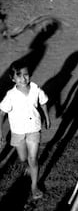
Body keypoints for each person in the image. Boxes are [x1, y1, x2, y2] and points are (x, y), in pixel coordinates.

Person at [0, 63, 50, 201]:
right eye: (19, 75)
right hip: (18, 131)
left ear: (30, 75)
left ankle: (34, 186)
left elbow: (43, 103)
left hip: (34, 128)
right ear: (13, 79)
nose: (23, 78)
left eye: (26, 74)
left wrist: (47, 117)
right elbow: (2, 113)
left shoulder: (35, 89)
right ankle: (26, 165)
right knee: (23, 158)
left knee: (33, 158)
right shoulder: (11, 95)